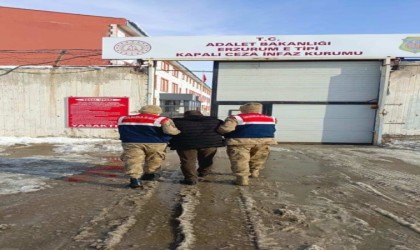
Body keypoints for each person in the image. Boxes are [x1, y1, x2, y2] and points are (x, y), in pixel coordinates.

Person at [118, 105, 180, 188]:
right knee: (154, 159)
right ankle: (149, 175)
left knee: (133, 160)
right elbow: (170, 131)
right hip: (156, 143)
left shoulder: (123, 118)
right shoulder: (162, 120)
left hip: (131, 142)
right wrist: (178, 131)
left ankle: (135, 180)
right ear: (157, 111)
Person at [217, 102, 277, 186]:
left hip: (240, 142)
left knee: (240, 160)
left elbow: (226, 129)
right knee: (258, 158)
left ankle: (242, 179)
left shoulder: (236, 118)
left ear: (243, 109)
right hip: (264, 141)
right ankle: (254, 172)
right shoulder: (271, 118)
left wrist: (219, 131)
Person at [169, 110, 225, 185]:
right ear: (201, 114)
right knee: (207, 159)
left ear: (185, 116)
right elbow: (223, 130)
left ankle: (190, 179)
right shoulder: (215, 121)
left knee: (188, 161)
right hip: (210, 143)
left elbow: (171, 131)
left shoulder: (177, 122)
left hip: (185, 144)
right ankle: (203, 173)